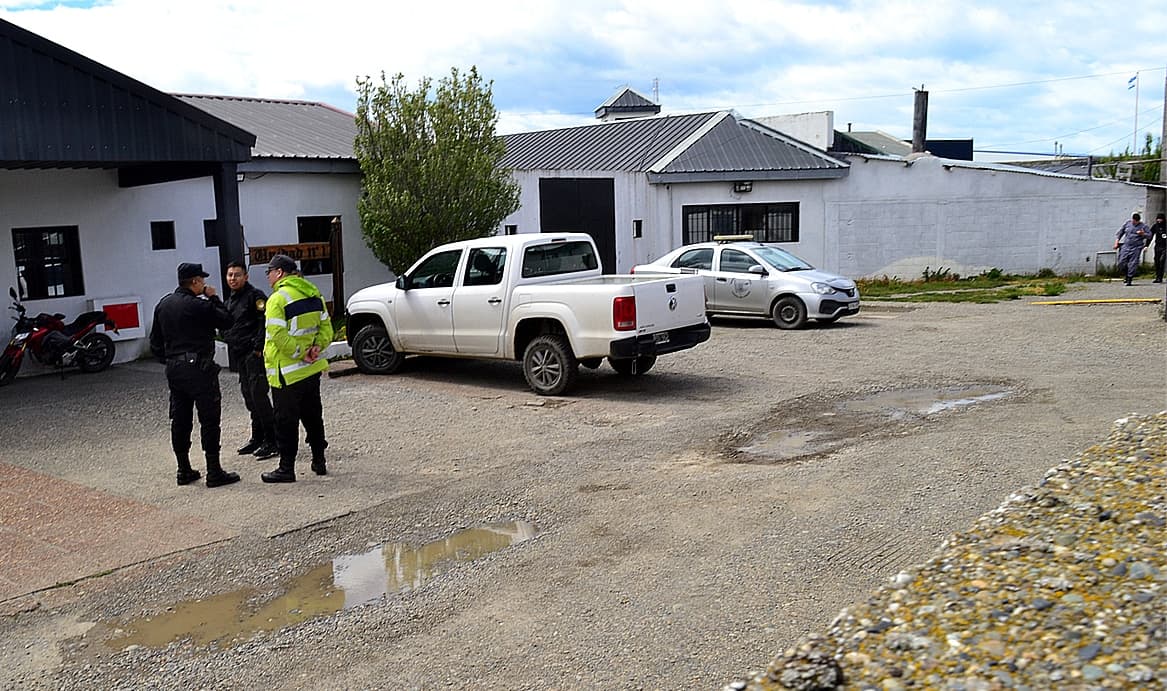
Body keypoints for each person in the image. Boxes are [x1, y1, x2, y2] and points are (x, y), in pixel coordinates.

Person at [149, 262, 240, 487]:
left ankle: (183, 469)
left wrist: (170, 360)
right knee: (209, 419)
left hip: (175, 369)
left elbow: (155, 344)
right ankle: (214, 471)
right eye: (202, 281)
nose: (204, 285)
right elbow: (227, 319)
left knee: (180, 419)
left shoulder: (163, 305)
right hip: (200, 369)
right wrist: (214, 298)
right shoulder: (199, 306)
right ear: (195, 282)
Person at [260, 254, 333, 483]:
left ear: (279, 272)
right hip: (310, 370)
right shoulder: (314, 294)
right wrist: (315, 349)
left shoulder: (277, 299)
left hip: (287, 373)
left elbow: (278, 335)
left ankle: (286, 468)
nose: (268, 277)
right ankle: (319, 461)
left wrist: (299, 352)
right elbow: (326, 329)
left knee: (286, 421)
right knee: (313, 416)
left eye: (269, 272)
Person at [222, 261, 278, 459]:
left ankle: (273, 440)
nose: (233, 278)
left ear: (245, 277)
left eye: (237, 275)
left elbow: (264, 322)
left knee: (259, 396)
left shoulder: (255, 296)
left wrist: (257, 348)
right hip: (240, 355)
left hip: (253, 355)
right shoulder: (231, 300)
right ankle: (258, 437)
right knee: (249, 396)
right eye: (230, 275)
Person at [1114, 212, 1152, 286]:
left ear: (1139, 220)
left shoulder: (1143, 226)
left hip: (1136, 247)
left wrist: (1143, 234)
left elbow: (1150, 235)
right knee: (1121, 262)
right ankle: (1126, 273)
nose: (1135, 223)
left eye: (1136, 222)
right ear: (1132, 219)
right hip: (1126, 246)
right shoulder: (1128, 224)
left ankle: (1129, 278)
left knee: (1133, 263)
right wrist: (1116, 243)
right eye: (1134, 221)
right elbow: (1120, 233)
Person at [1150, 213, 1167, 283]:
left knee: (1162, 261)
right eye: (1158, 219)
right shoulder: (1155, 226)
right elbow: (1150, 235)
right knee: (1156, 261)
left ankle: (1160, 277)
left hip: (1165, 246)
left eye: (1160, 219)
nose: (1159, 220)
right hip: (1157, 246)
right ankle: (1157, 276)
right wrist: (1146, 245)